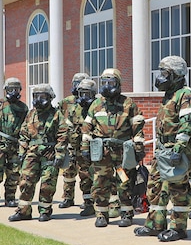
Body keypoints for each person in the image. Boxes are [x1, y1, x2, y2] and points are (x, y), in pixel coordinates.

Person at [133, 56, 191, 241]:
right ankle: (155, 224)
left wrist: (178, 149)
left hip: (176, 149)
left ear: (177, 75)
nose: (161, 77)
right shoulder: (169, 95)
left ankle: (179, 228)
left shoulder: (185, 94)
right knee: (155, 187)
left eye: (165, 73)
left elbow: (188, 124)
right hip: (163, 148)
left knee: (178, 189)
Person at [81, 68, 146, 228]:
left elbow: (137, 129)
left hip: (122, 153)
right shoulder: (96, 104)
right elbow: (87, 128)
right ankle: (101, 214)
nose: (107, 86)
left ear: (118, 84)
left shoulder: (128, 104)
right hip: (101, 153)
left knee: (124, 182)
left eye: (111, 82)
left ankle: (126, 213)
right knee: (100, 183)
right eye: (104, 82)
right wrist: (85, 147)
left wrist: (139, 149)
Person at [8, 84, 68, 222]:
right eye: (36, 96)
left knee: (47, 184)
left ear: (50, 97)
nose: (38, 100)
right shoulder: (31, 114)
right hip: (32, 153)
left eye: (42, 97)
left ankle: (45, 211)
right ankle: (23, 211)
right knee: (25, 182)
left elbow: (63, 135)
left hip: (50, 153)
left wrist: (59, 154)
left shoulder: (56, 114)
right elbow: (23, 133)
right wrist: (22, 151)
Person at [0, 78, 29, 209]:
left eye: (16, 89)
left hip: (15, 145)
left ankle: (10, 197)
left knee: (14, 174)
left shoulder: (23, 108)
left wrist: (23, 147)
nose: (13, 92)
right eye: (10, 89)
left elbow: (25, 128)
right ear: (5, 90)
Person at [57, 73, 92, 209]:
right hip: (70, 144)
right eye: (75, 83)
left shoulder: (92, 102)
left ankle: (88, 200)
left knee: (86, 173)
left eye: (80, 83)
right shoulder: (66, 102)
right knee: (68, 172)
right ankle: (67, 197)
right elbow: (58, 119)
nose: (77, 87)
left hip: (85, 144)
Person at [73, 78, 98, 217]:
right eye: (81, 93)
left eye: (87, 94)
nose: (83, 98)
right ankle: (88, 204)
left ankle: (110, 204)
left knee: (102, 177)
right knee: (84, 177)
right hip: (80, 151)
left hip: (97, 150)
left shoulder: (100, 107)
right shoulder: (75, 110)